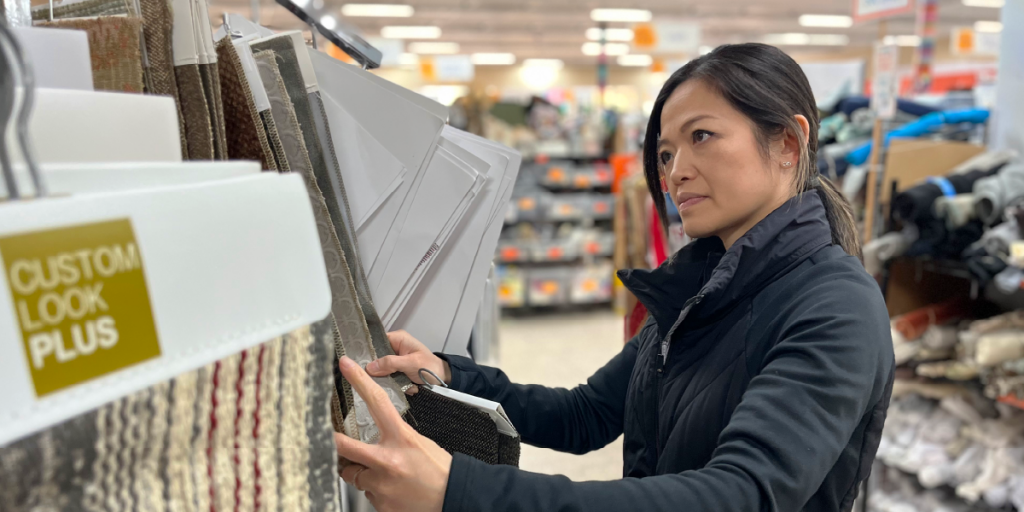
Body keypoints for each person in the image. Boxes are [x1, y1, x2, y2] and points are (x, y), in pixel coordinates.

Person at [333, 43, 895, 512]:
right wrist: (449, 375)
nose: (676, 171)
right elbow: (587, 414)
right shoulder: (699, 288)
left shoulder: (835, 306)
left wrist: (461, 491)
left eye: (702, 136)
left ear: (787, 145)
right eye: (666, 152)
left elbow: (739, 494)